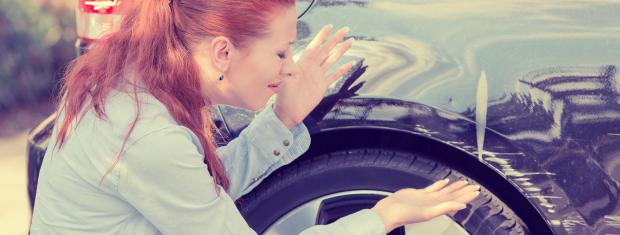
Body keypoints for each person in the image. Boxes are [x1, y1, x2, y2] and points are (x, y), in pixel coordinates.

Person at [29, 0, 480, 234]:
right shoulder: (147, 136)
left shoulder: (135, 80)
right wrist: (382, 216)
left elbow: (201, 196)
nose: (290, 66)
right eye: (282, 51)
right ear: (222, 51)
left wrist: (282, 118)